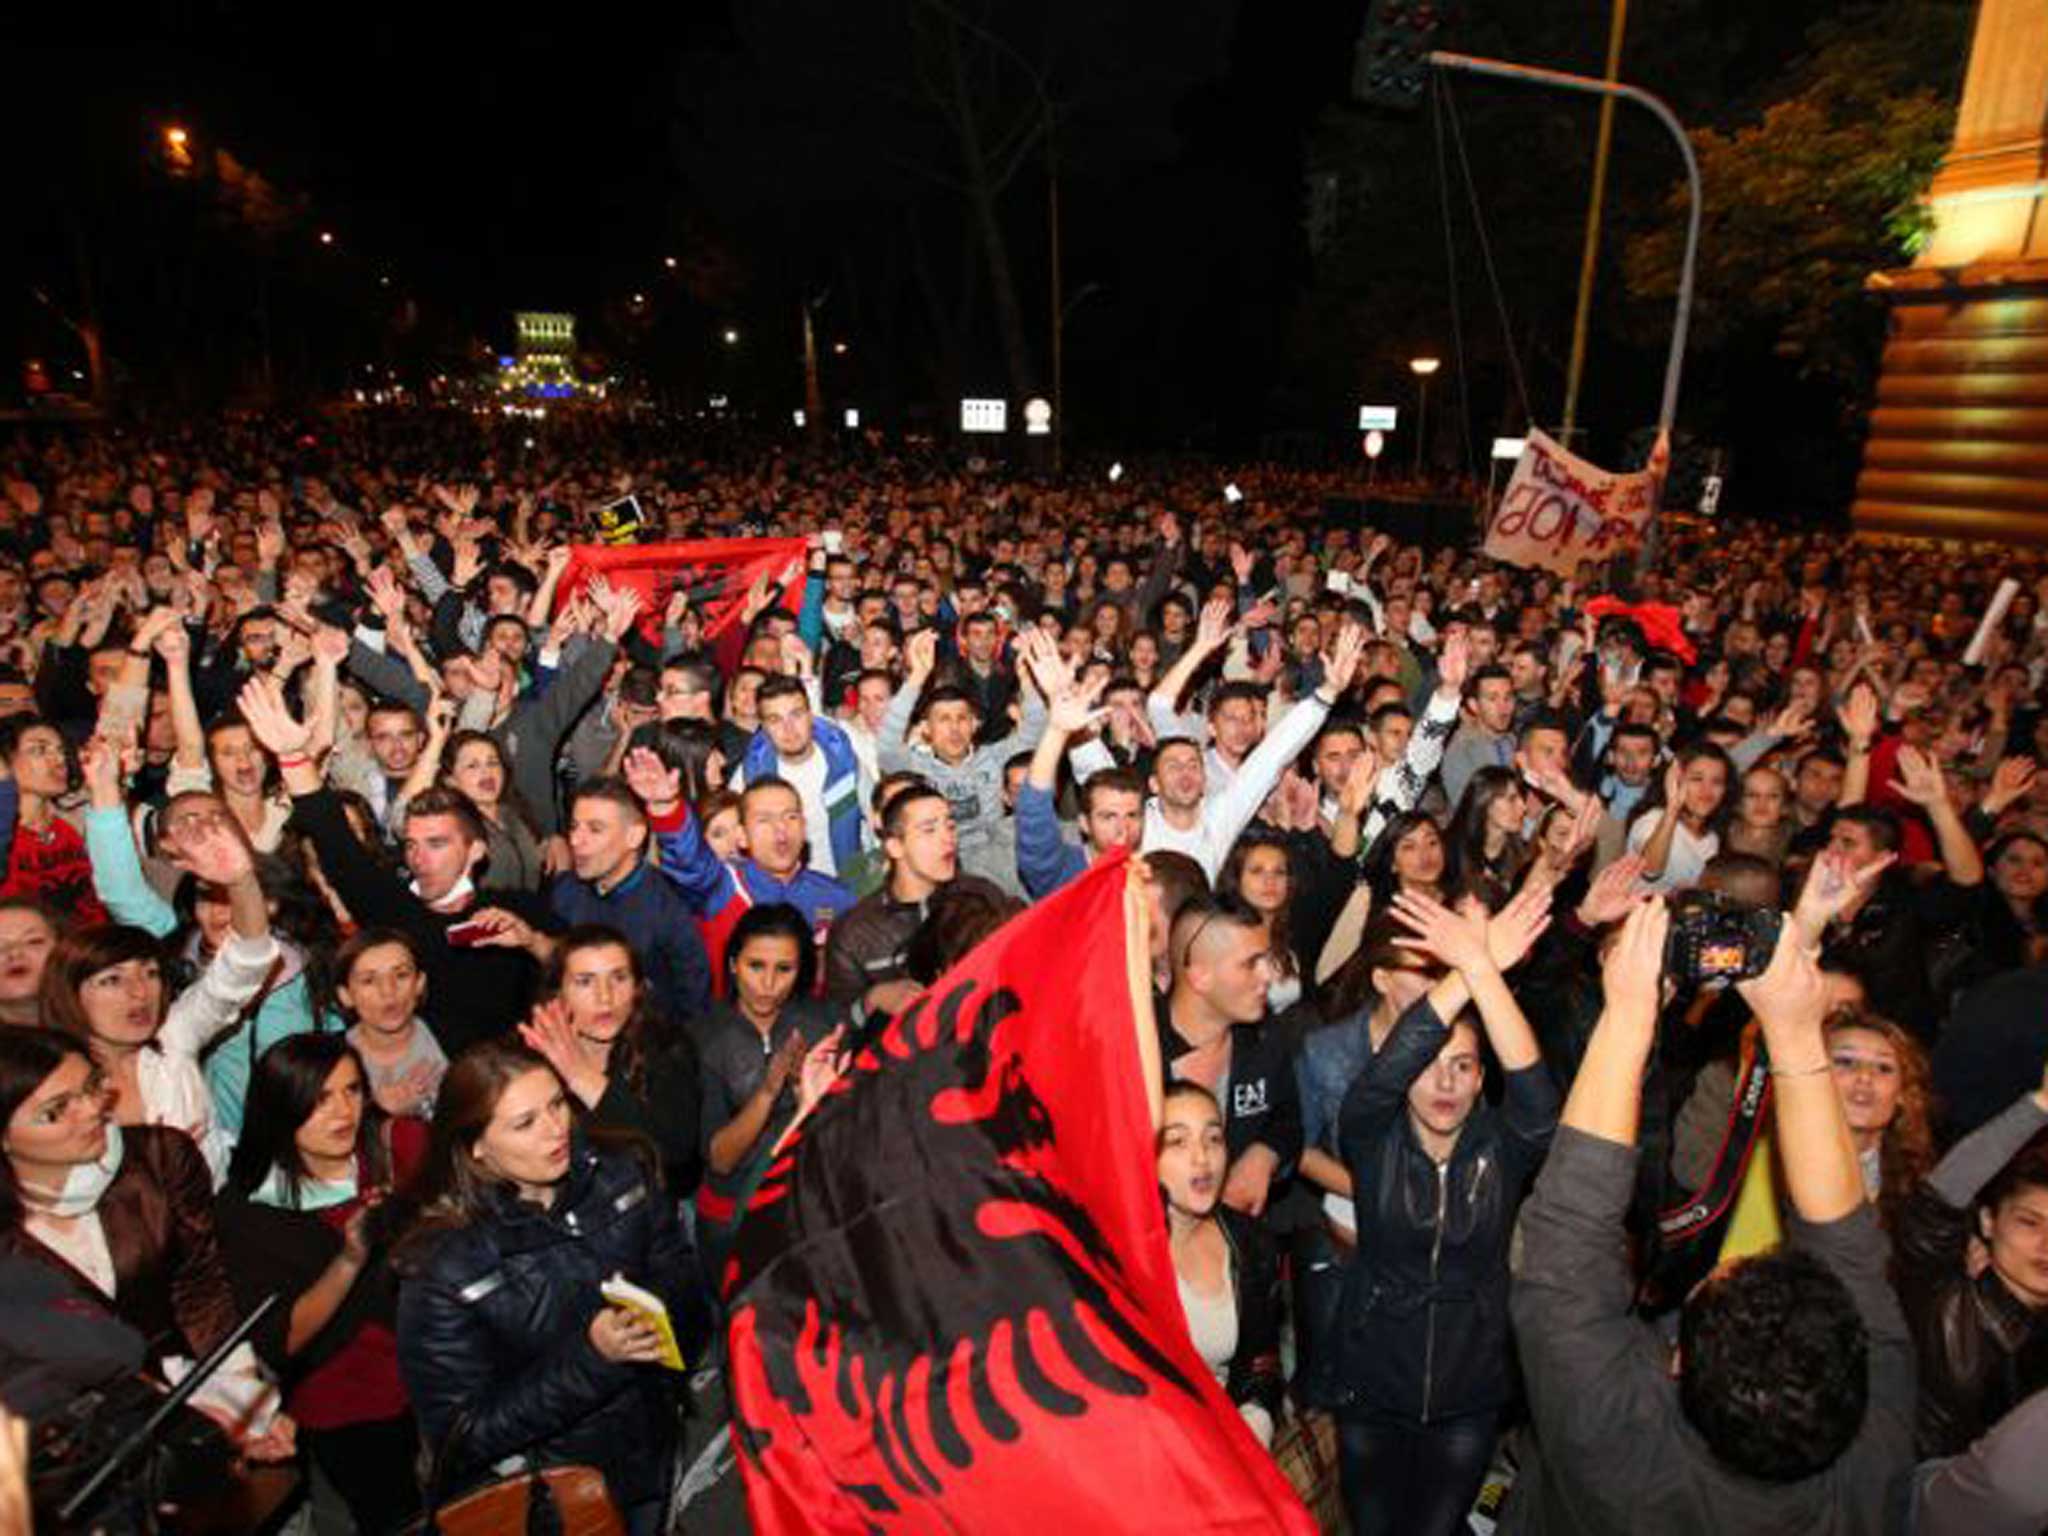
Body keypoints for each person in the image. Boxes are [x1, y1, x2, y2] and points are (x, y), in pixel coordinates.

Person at [1507, 902, 1915, 1533]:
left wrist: (1627, 1017)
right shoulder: (1870, 1467)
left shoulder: (1608, 1431)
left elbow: (1568, 1231)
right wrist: (1796, 1033)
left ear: (1677, 1365)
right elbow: (1849, 1243)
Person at [1329, 886, 1556, 1536]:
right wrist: (1470, 971)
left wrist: (1485, 976)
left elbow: (1539, 1102)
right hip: (1371, 1381)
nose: (1445, 1082)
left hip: (1470, 1387)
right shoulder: (1371, 1133)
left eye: (1463, 1066)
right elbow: (1386, 1065)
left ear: (1484, 1079)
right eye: (1428, 1066)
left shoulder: (1504, 1148)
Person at [394, 1039, 689, 1536]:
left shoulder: (620, 1174)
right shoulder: (440, 1269)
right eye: (525, 1123)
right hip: (552, 1499)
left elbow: (678, 1271)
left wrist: (661, 1314)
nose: (557, 1130)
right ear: (476, 1148)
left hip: (653, 1448)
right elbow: (462, 1435)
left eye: (557, 1104)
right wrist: (593, 1358)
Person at [0, 1027, 292, 1460]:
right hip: (84, 1442)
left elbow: (200, 1289)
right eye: (57, 1110)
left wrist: (246, 1401)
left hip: (197, 1381)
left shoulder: (159, 1157)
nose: (92, 1111)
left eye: (91, 1087)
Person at [216, 1034, 426, 1533]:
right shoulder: (248, 1207)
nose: (342, 1112)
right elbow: (280, 1340)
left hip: (432, 1366)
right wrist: (350, 1258)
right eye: (319, 1100)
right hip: (347, 1402)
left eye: (352, 1091)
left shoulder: (399, 1147)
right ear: (279, 1107)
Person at [41, 807, 281, 1183]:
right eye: (112, 980)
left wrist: (241, 882)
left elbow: (246, 964)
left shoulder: (173, 1038)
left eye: (151, 973)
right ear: (70, 993)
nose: (139, 992)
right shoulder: (46, 1082)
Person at [1896, 1057, 2048, 1457]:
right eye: (2030, 1223)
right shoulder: (1944, 1301)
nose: (2046, 1246)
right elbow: (1936, 1204)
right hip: (1920, 1504)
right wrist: (2041, 1105)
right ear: (1988, 1221)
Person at [627, 748, 852, 993]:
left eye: (791, 817)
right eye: (764, 820)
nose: (781, 830)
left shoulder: (837, 897)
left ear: (804, 826)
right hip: (730, 1025)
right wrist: (665, 807)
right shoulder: (723, 884)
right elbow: (688, 862)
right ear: (742, 837)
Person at [517, 925, 703, 1201]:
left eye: (619, 978)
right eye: (585, 981)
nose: (605, 997)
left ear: (638, 988)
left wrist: (580, 1076)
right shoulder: (531, 1056)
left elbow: (674, 1149)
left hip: (648, 1215)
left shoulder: (667, 1047)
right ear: (558, 994)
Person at [696, 904, 840, 1251]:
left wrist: (806, 1093)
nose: (768, 983)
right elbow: (720, 1159)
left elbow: (841, 1136)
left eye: (784, 969)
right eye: (755, 966)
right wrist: (768, 1091)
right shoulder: (704, 1039)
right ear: (733, 964)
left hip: (808, 1208)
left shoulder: (822, 1026)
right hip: (733, 1221)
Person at [1158, 896, 1303, 1223]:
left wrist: (1265, 1155)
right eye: (1251, 963)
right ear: (1200, 977)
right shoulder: (1136, 1050)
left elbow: (1287, 1122)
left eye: (1268, 959)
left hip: (1238, 1251)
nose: (1269, 975)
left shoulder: (1267, 1041)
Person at [1157, 1081, 1284, 1449]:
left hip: (1227, 1451)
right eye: (1177, 1142)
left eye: (1213, 1138)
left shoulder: (1252, 1242)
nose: (1202, 1157)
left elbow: (1264, 1364)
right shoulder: (1120, 1257)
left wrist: (1253, 1429)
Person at [879, 627, 1046, 892]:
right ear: (926, 729)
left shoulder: (996, 757)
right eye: (943, 719)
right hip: (937, 872)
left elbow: (1035, 731)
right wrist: (917, 677)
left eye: (962, 718)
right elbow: (887, 746)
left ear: (975, 724)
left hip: (998, 870)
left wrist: (1026, 680)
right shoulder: (916, 769)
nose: (954, 728)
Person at [824, 783, 1007, 1016]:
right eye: (929, 830)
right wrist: (873, 999)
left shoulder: (984, 897)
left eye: (950, 827)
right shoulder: (854, 931)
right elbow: (835, 1025)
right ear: (895, 846)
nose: (947, 839)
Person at [330, 927, 447, 1121]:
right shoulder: (328, 1062)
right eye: (369, 980)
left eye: (401, 975)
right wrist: (377, 1113)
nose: (388, 991)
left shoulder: (457, 1042)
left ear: (419, 983)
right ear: (346, 995)